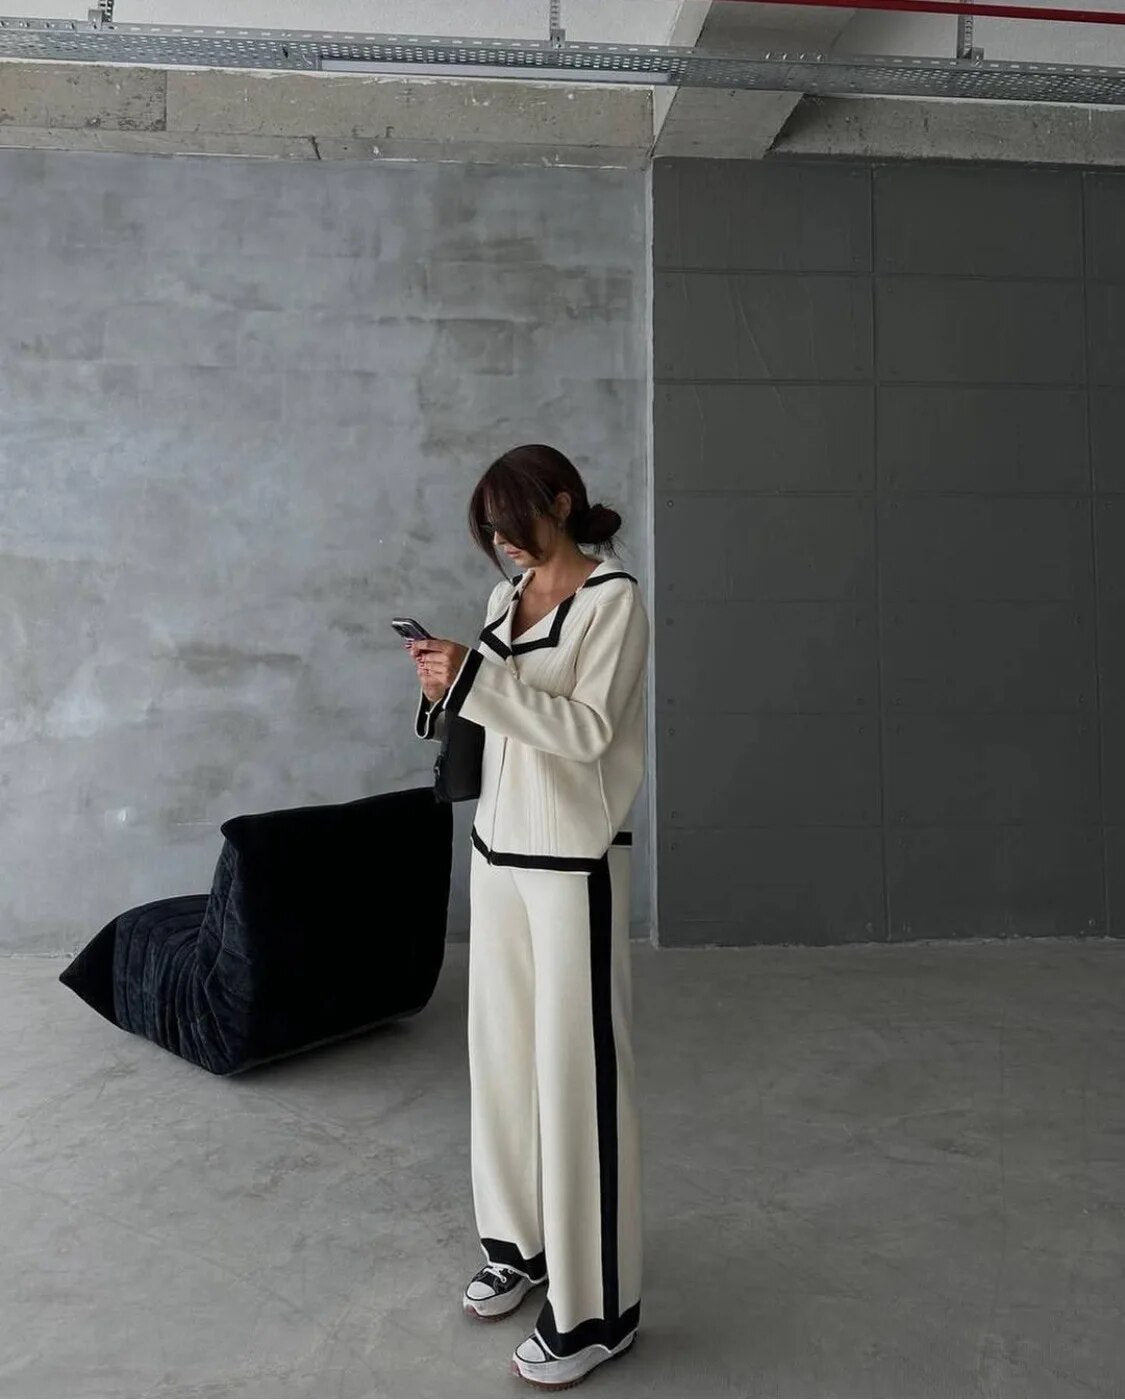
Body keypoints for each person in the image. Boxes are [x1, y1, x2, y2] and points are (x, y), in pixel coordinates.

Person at [403, 443, 649, 1390]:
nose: (503, 544)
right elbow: (491, 715)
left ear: (562, 502)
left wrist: (477, 679)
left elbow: (585, 731)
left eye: (513, 524)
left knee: (577, 1082)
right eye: (490, 532)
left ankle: (597, 1311)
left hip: (572, 865)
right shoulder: (504, 599)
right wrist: (444, 689)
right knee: (501, 1061)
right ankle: (518, 1245)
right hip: (497, 855)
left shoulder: (612, 602)